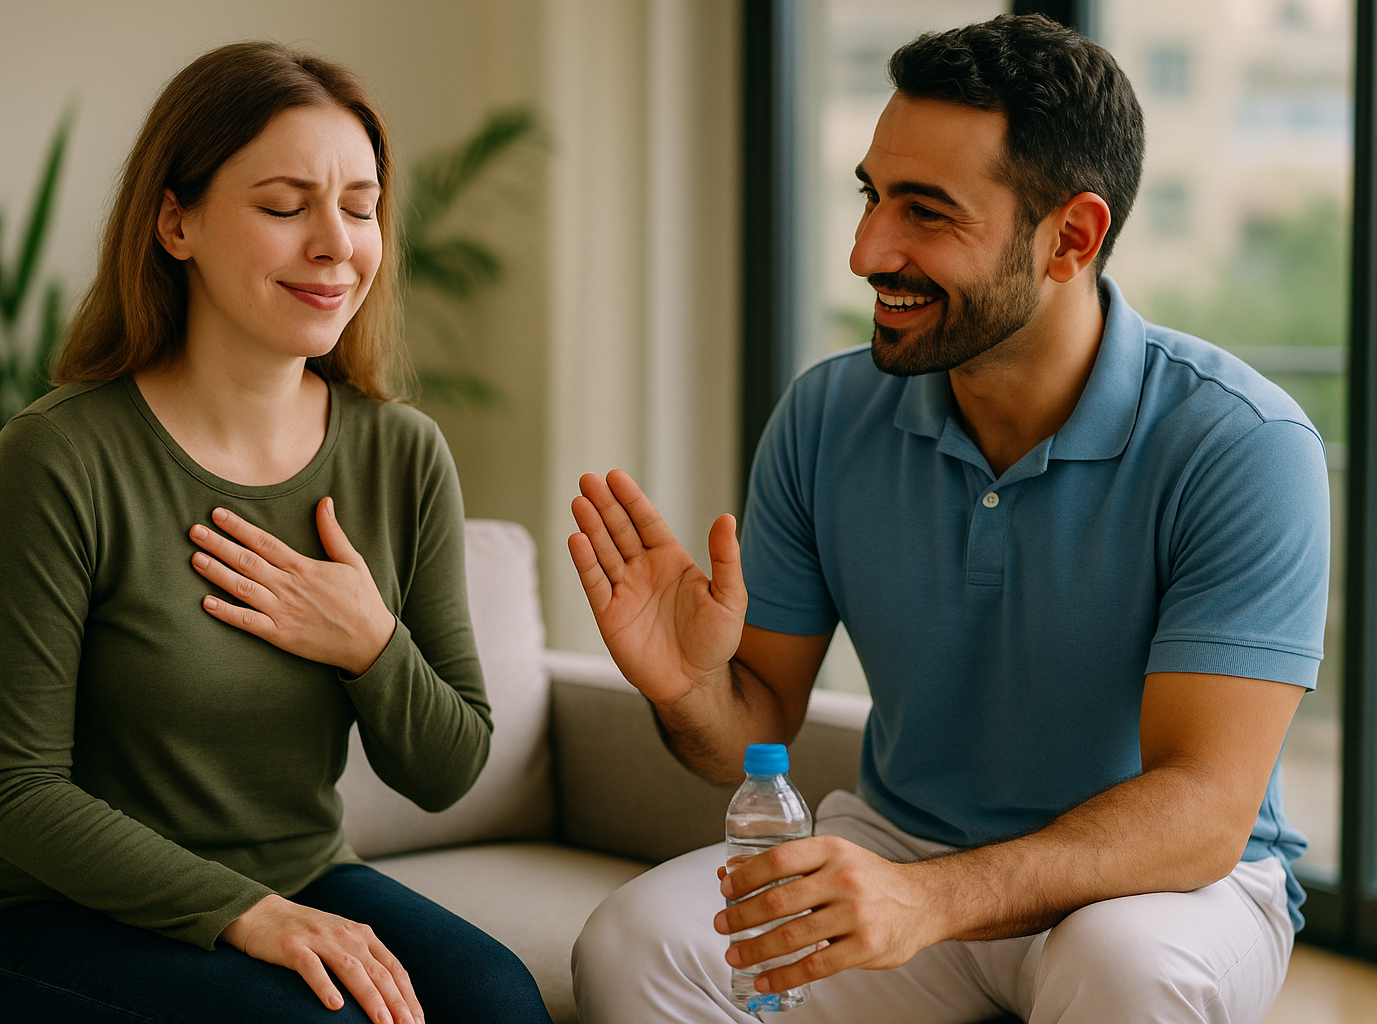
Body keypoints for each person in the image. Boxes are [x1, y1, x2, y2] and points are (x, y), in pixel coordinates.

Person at [569, 14, 1328, 1024]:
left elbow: (1203, 811)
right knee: (635, 945)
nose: (866, 250)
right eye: (871, 197)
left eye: (926, 213)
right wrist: (686, 689)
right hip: (907, 840)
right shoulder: (827, 414)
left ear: (1073, 238)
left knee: (1124, 966)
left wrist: (930, 902)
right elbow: (754, 725)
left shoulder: (1242, 443)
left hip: (1160, 886)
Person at [0, 41, 552, 1024]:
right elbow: (15, 792)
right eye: (285, 204)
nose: (337, 243)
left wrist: (370, 642)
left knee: (499, 1003)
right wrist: (245, 914)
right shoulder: (58, 456)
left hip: (298, 878)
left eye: (360, 203)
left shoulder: (403, 454)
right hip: (36, 915)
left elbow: (450, 765)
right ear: (177, 221)